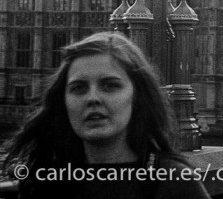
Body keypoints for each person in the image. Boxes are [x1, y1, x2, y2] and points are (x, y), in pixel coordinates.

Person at [3, 31, 210, 199]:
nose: (93, 98)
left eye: (110, 86)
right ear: (63, 101)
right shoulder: (44, 182)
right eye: (79, 88)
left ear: (137, 96)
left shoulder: (174, 184)